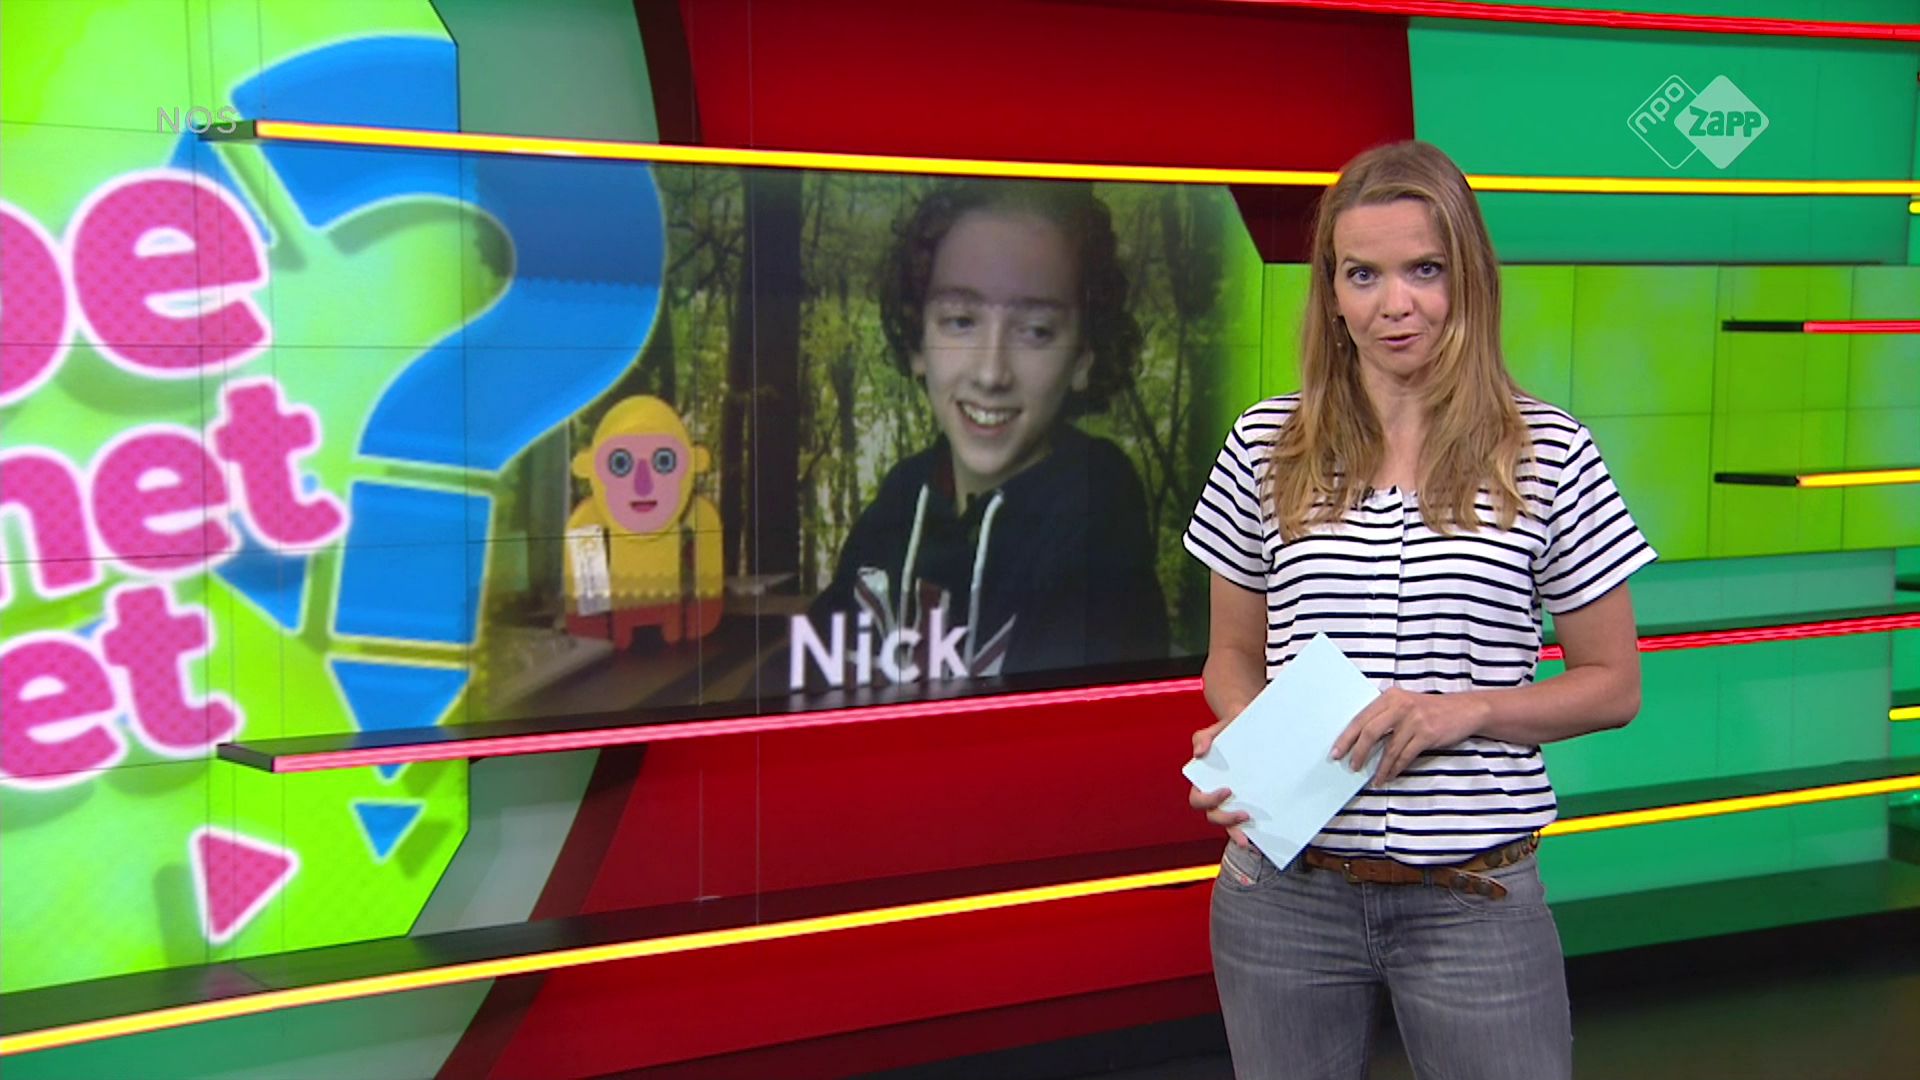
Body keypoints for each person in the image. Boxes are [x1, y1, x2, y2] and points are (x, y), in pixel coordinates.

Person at [1183, 141, 1655, 1079]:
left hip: (1471, 900)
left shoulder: (1549, 452)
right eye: (1362, 274)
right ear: (1331, 292)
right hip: (1282, 894)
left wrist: (1461, 712)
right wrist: (1247, 741)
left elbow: (1614, 685)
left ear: (1467, 278)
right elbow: (1229, 655)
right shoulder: (1266, 443)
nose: (1392, 304)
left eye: (1423, 270)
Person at [800, 180, 1168, 690]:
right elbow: (810, 671)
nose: (991, 373)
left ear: (1084, 356)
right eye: (960, 321)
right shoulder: (902, 497)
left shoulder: (1097, 512)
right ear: (918, 341)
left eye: (1036, 331)